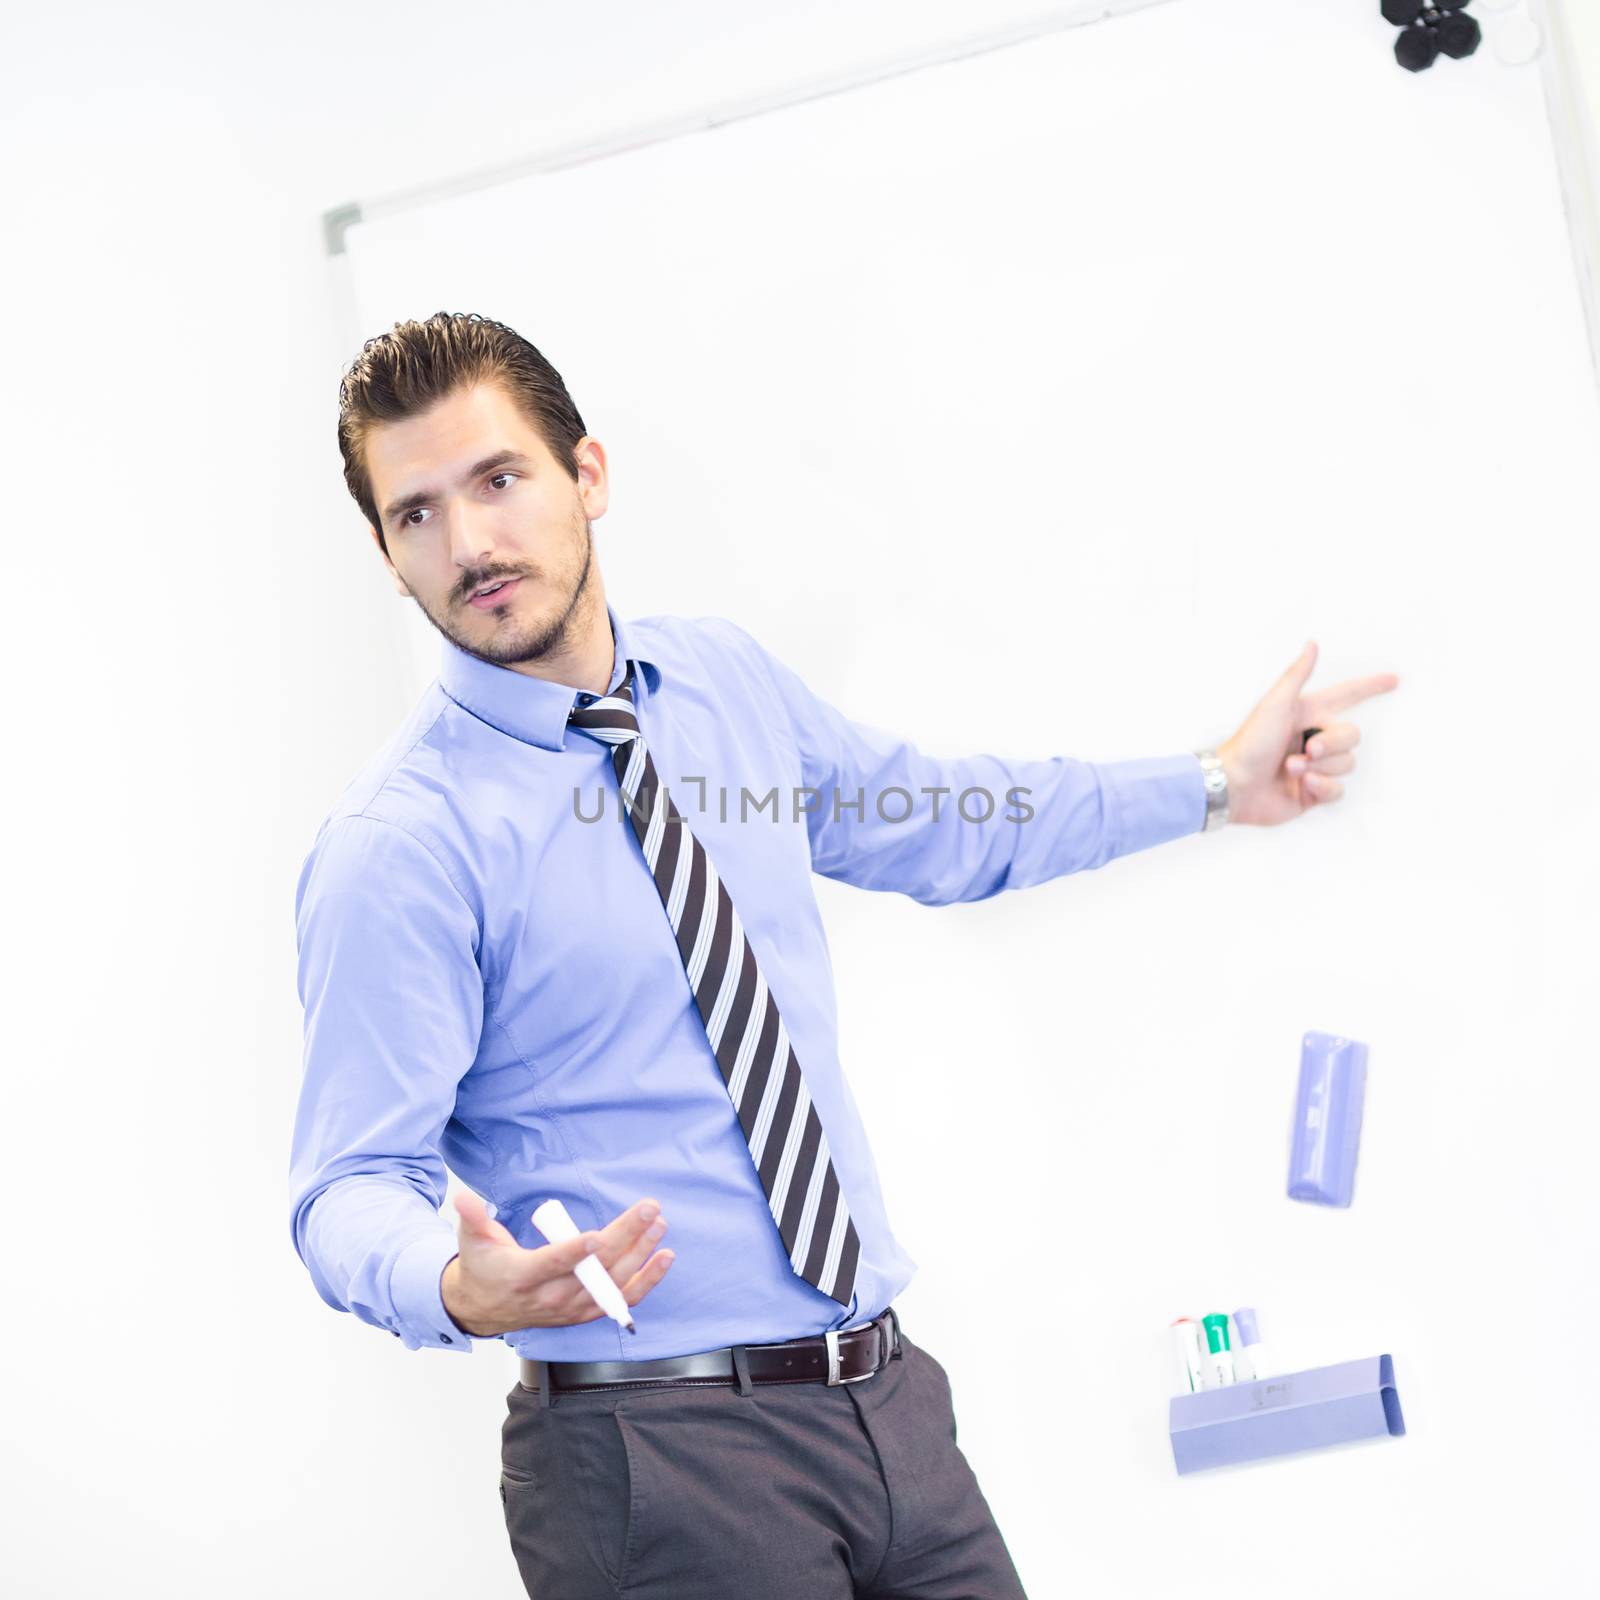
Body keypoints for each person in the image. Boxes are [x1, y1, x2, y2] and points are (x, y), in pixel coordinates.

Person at [289, 311, 1400, 1598]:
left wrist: (1213, 782)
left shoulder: (720, 690)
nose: (469, 543)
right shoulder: (403, 846)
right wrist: (452, 1283)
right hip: (652, 1457)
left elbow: (940, 816)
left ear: (584, 474)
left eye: (497, 479)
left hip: (887, 1403)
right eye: (415, 513)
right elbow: (345, 1184)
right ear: (386, 554)